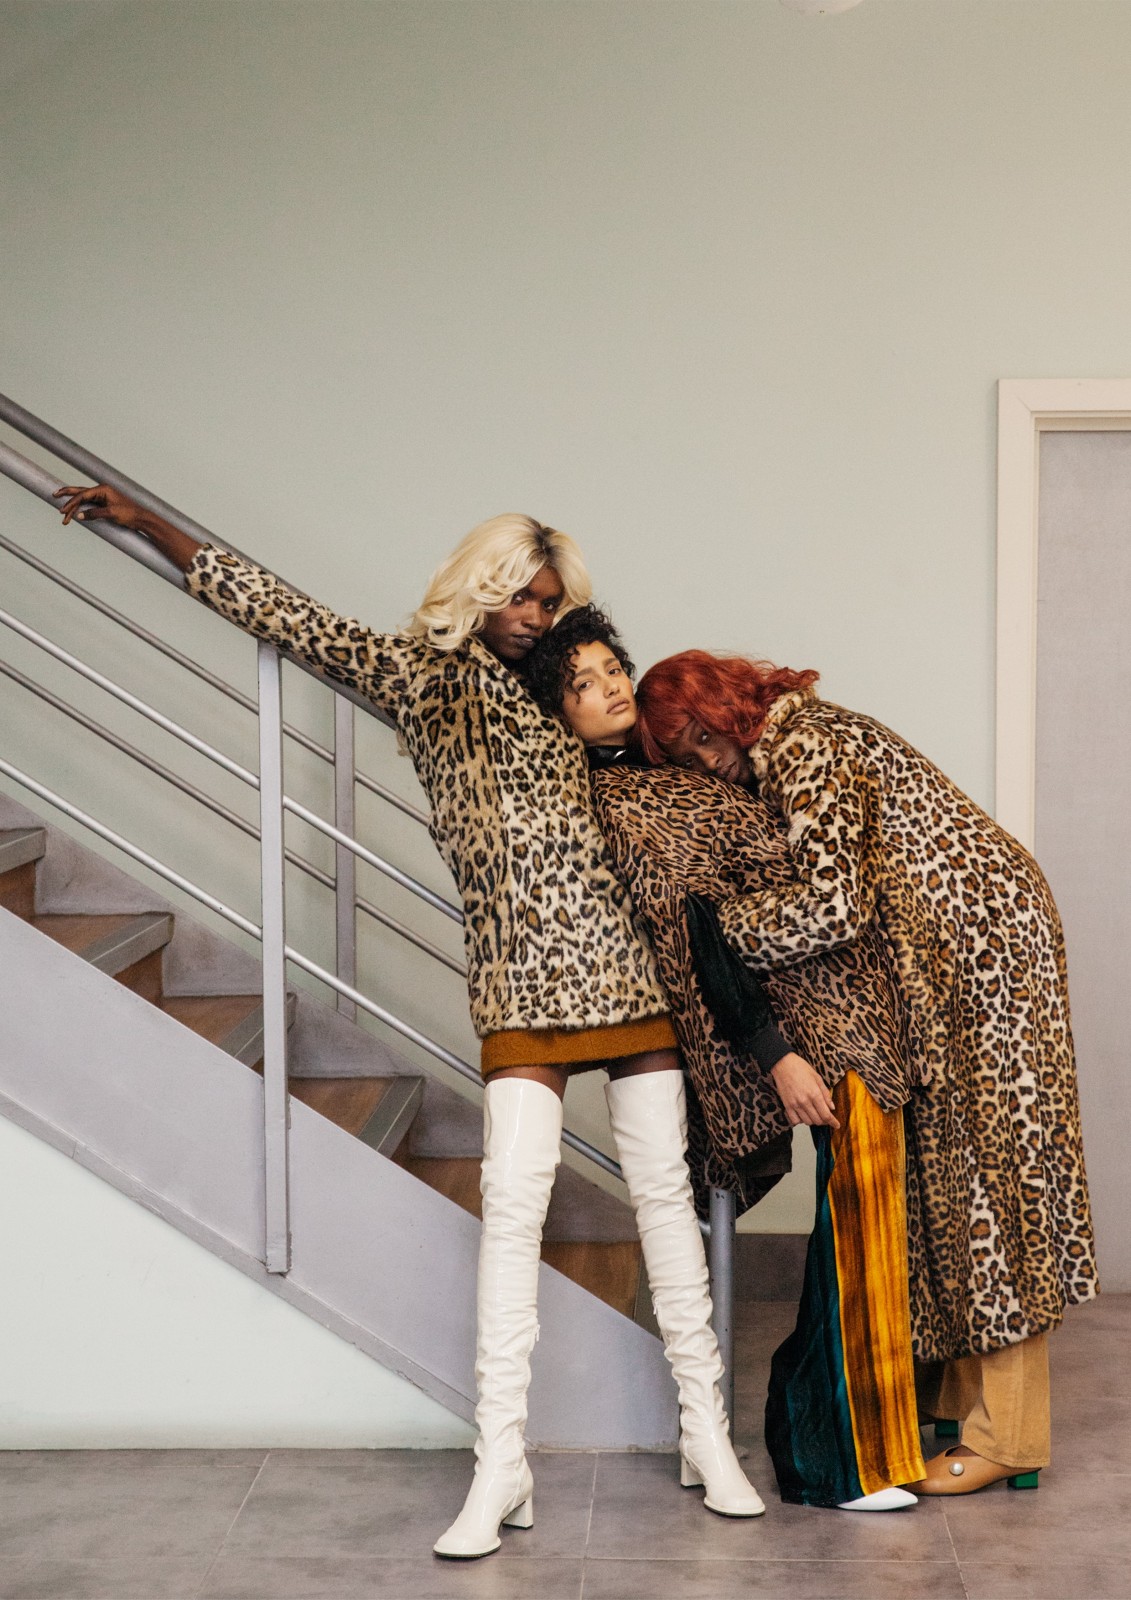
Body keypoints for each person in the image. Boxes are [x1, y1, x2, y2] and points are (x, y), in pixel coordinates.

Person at [52, 485, 764, 1557]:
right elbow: (287, 614)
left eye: (548, 601)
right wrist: (150, 526)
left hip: (629, 974)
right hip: (520, 981)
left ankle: (706, 1435)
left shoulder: (564, 685)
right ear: (480, 589)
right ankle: (499, 1463)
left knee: (664, 1197)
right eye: (519, 597)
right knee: (512, 1210)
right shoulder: (423, 675)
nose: (534, 615)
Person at [634, 649, 1099, 1494]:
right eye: (684, 752)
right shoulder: (798, 745)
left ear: (729, 704)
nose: (705, 759)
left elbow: (832, 904)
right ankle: (954, 1401)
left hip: (980, 957)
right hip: (954, 959)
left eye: (702, 735)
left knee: (986, 1180)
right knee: (944, 1178)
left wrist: (714, 933)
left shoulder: (806, 745)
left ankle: (1009, 1435)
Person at [526, 606, 927, 1510]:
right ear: (559, 716)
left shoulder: (675, 766)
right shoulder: (617, 806)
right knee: (858, 1220)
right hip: (804, 1017)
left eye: (611, 668)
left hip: (850, 992)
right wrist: (776, 1054)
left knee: (867, 1219)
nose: (609, 688)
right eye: (581, 685)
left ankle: (847, 1442)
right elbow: (696, 937)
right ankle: (830, 1464)